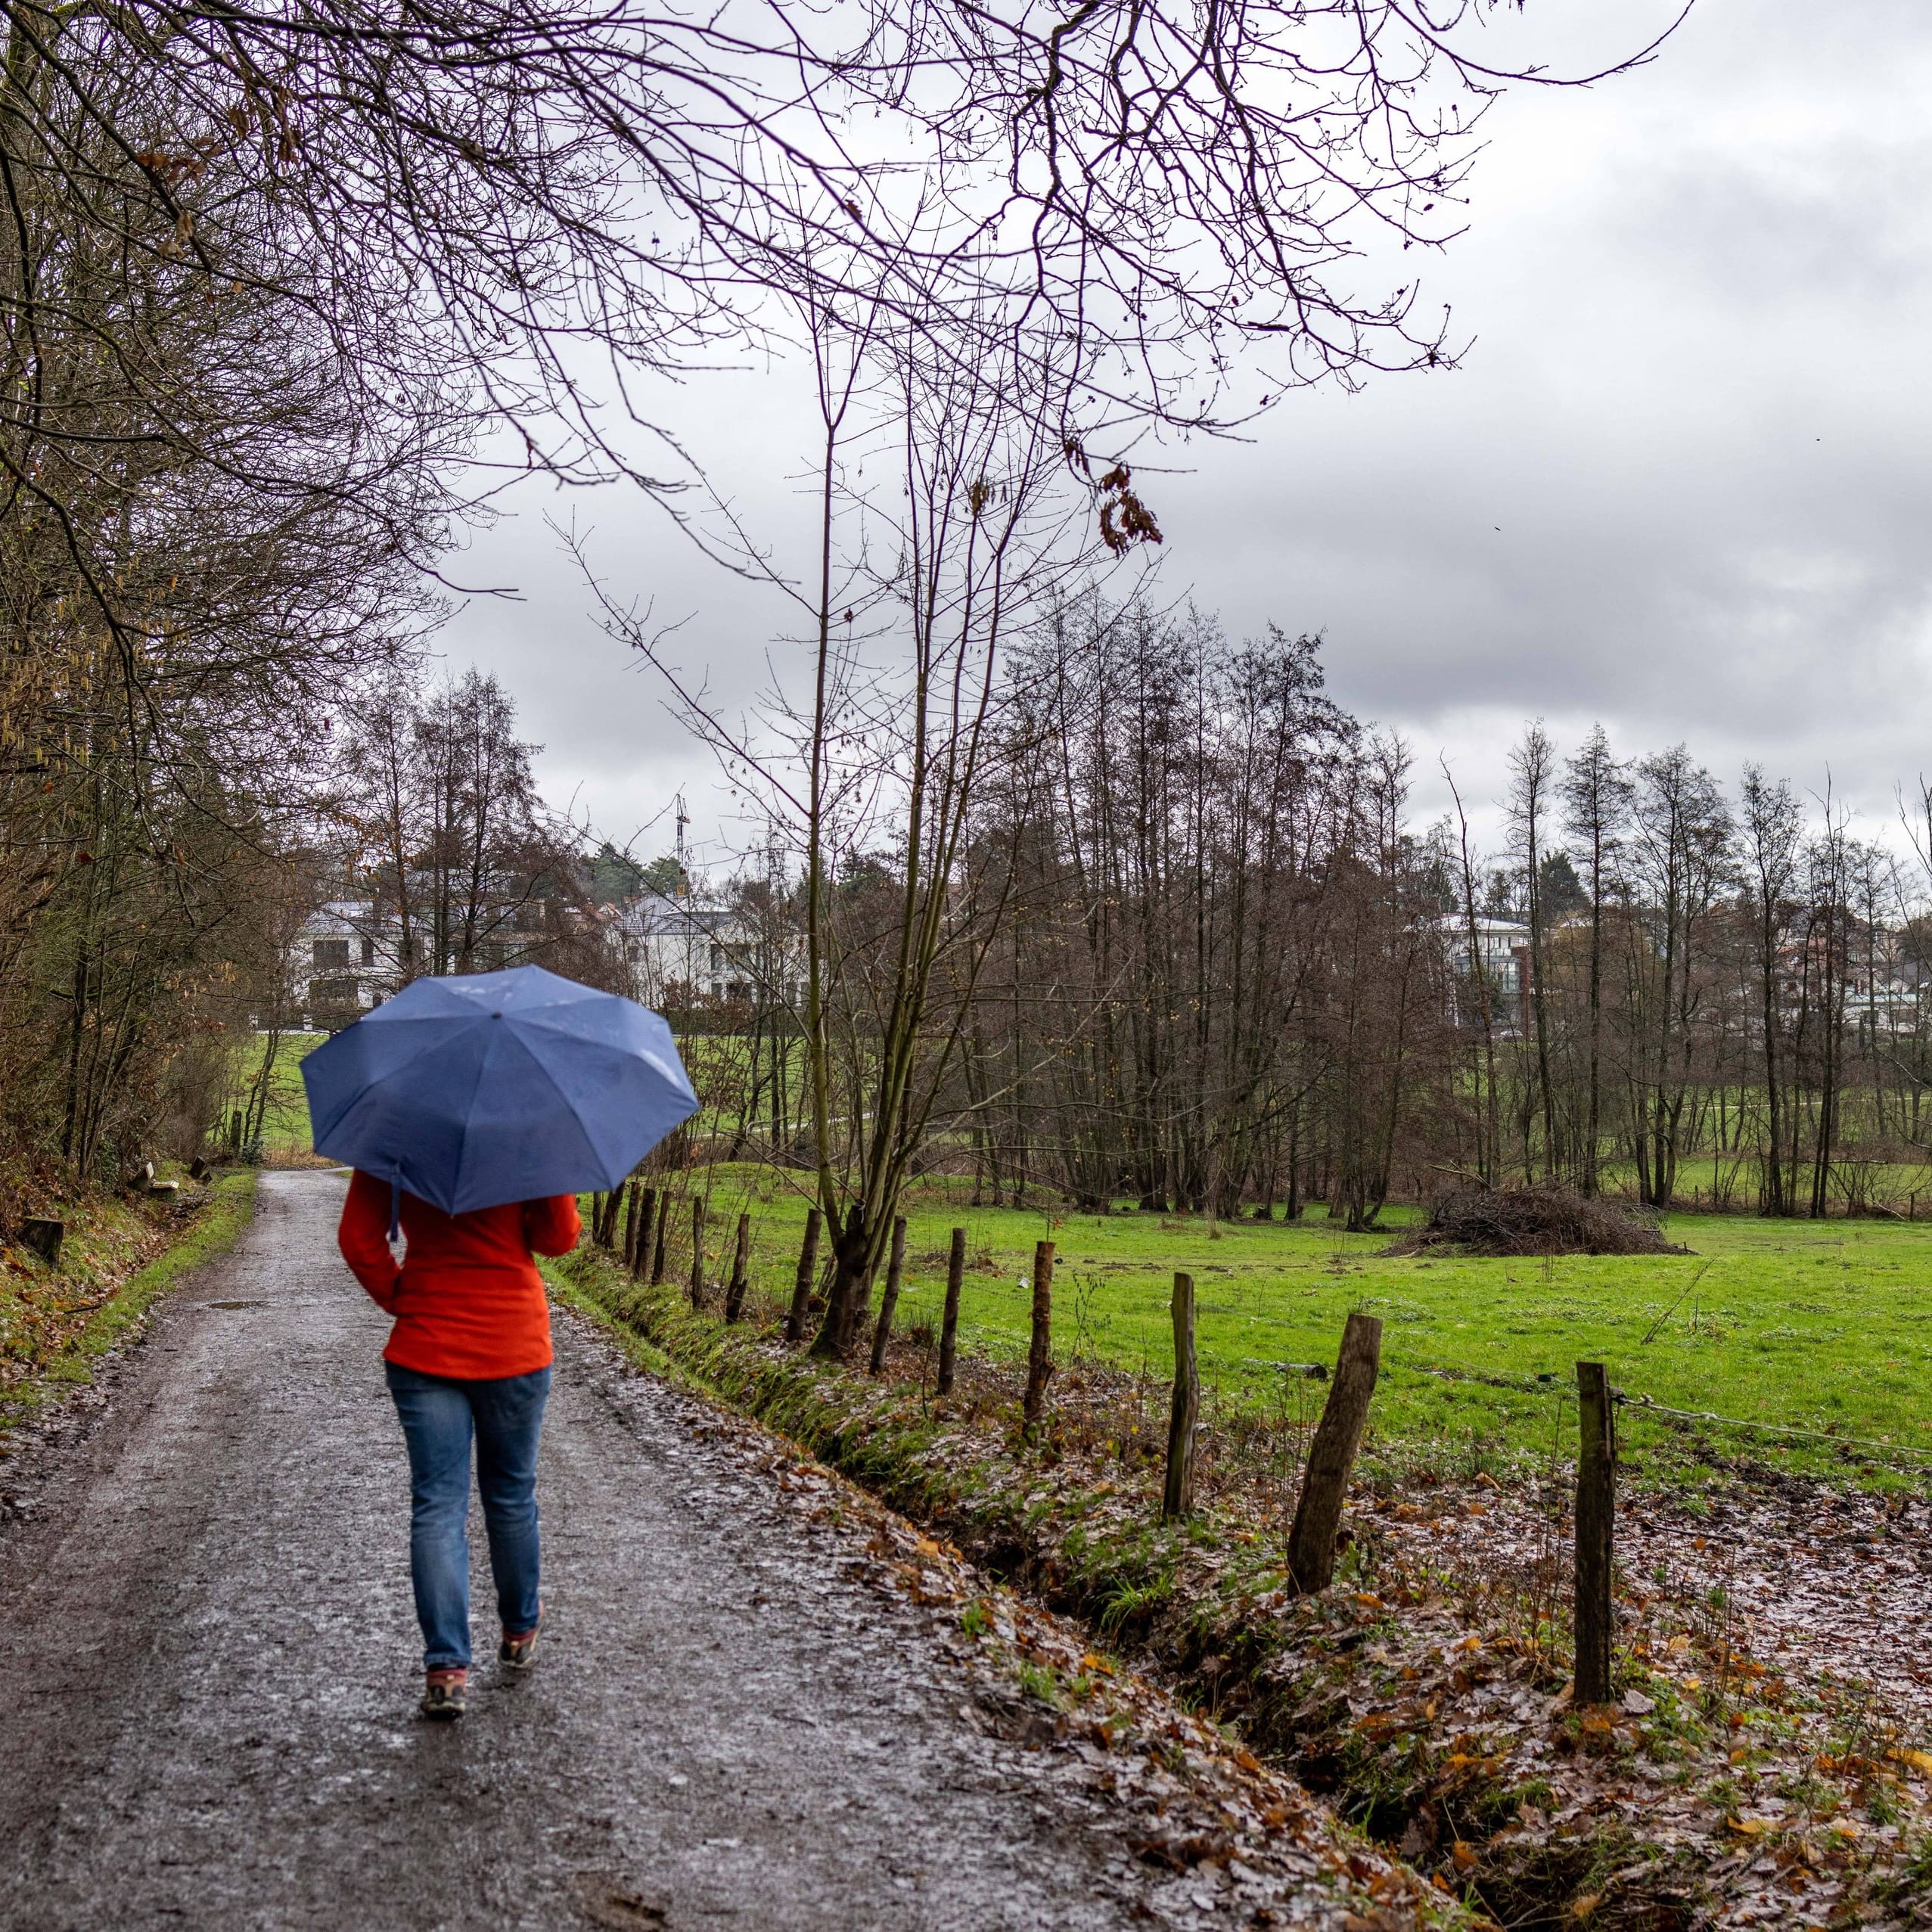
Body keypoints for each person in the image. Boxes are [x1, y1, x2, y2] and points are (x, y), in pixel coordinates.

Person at [337, 1171, 582, 1719]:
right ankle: (519, 1633)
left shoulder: (397, 1130)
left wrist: (400, 1295)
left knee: (438, 1506)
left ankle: (446, 1669)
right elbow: (559, 1238)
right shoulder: (526, 1133)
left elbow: (357, 1237)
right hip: (514, 1344)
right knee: (511, 1495)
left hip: (426, 1345)